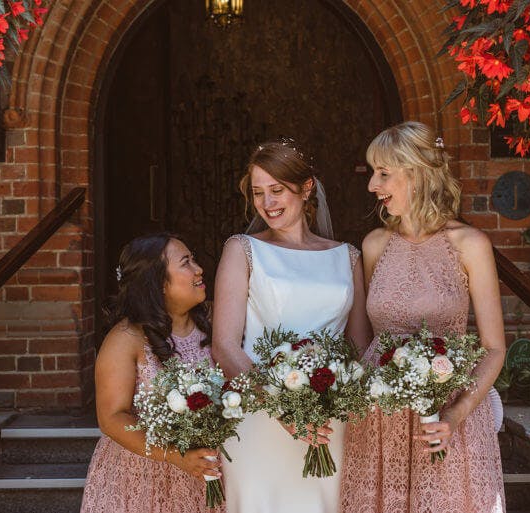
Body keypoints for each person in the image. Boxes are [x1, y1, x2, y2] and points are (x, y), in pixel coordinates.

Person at [340, 122, 506, 513]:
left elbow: (494, 348)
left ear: (416, 173)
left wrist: (455, 414)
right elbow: (362, 340)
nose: (372, 186)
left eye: (383, 173)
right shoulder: (374, 245)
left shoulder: (470, 245)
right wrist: (377, 395)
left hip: (451, 421)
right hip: (380, 425)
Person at [211, 140, 371, 513]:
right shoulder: (242, 249)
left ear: (307, 188)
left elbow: (360, 350)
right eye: (258, 193)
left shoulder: (347, 257)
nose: (267, 204)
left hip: (326, 422)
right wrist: (283, 409)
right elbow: (225, 347)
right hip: (258, 418)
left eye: (277, 190)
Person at [81, 232, 222, 513]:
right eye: (186, 263)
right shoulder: (125, 338)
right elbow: (111, 418)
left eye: (193, 259)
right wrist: (174, 455)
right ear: (158, 284)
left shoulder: (217, 322)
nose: (199, 269)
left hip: (205, 471)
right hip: (140, 476)